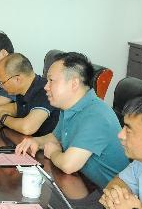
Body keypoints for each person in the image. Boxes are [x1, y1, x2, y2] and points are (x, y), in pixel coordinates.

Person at [16, 52, 127, 188]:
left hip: (107, 194)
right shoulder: (69, 107)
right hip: (82, 184)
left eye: (51, 80)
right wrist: (36, 142)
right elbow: (56, 138)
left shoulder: (96, 115)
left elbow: (69, 165)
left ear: (74, 83)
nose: (46, 86)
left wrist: (53, 153)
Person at [0, 53, 60, 136]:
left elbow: (27, 128)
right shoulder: (25, 89)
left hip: (43, 147)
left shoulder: (45, 91)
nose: (1, 86)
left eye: (2, 82)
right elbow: (16, 108)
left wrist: (4, 119)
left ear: (17, 79)